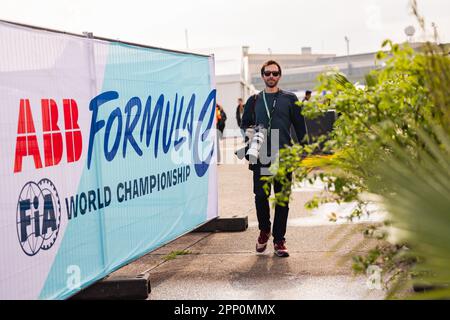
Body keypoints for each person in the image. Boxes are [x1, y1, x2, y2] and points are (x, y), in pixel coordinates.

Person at [240, 60, 306, 257]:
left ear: (280, 75)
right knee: (261, 196)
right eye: (267, 73)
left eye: (275, 73)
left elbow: (301, 128)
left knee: (282, 200)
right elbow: (245, 125)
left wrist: (302, 152)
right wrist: (250, 136)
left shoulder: (290, 98)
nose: (271, 76)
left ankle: (279, 240)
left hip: (283, 156)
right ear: (262, 76)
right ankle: (264, 230)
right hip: (261, 156)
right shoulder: (254, 100)